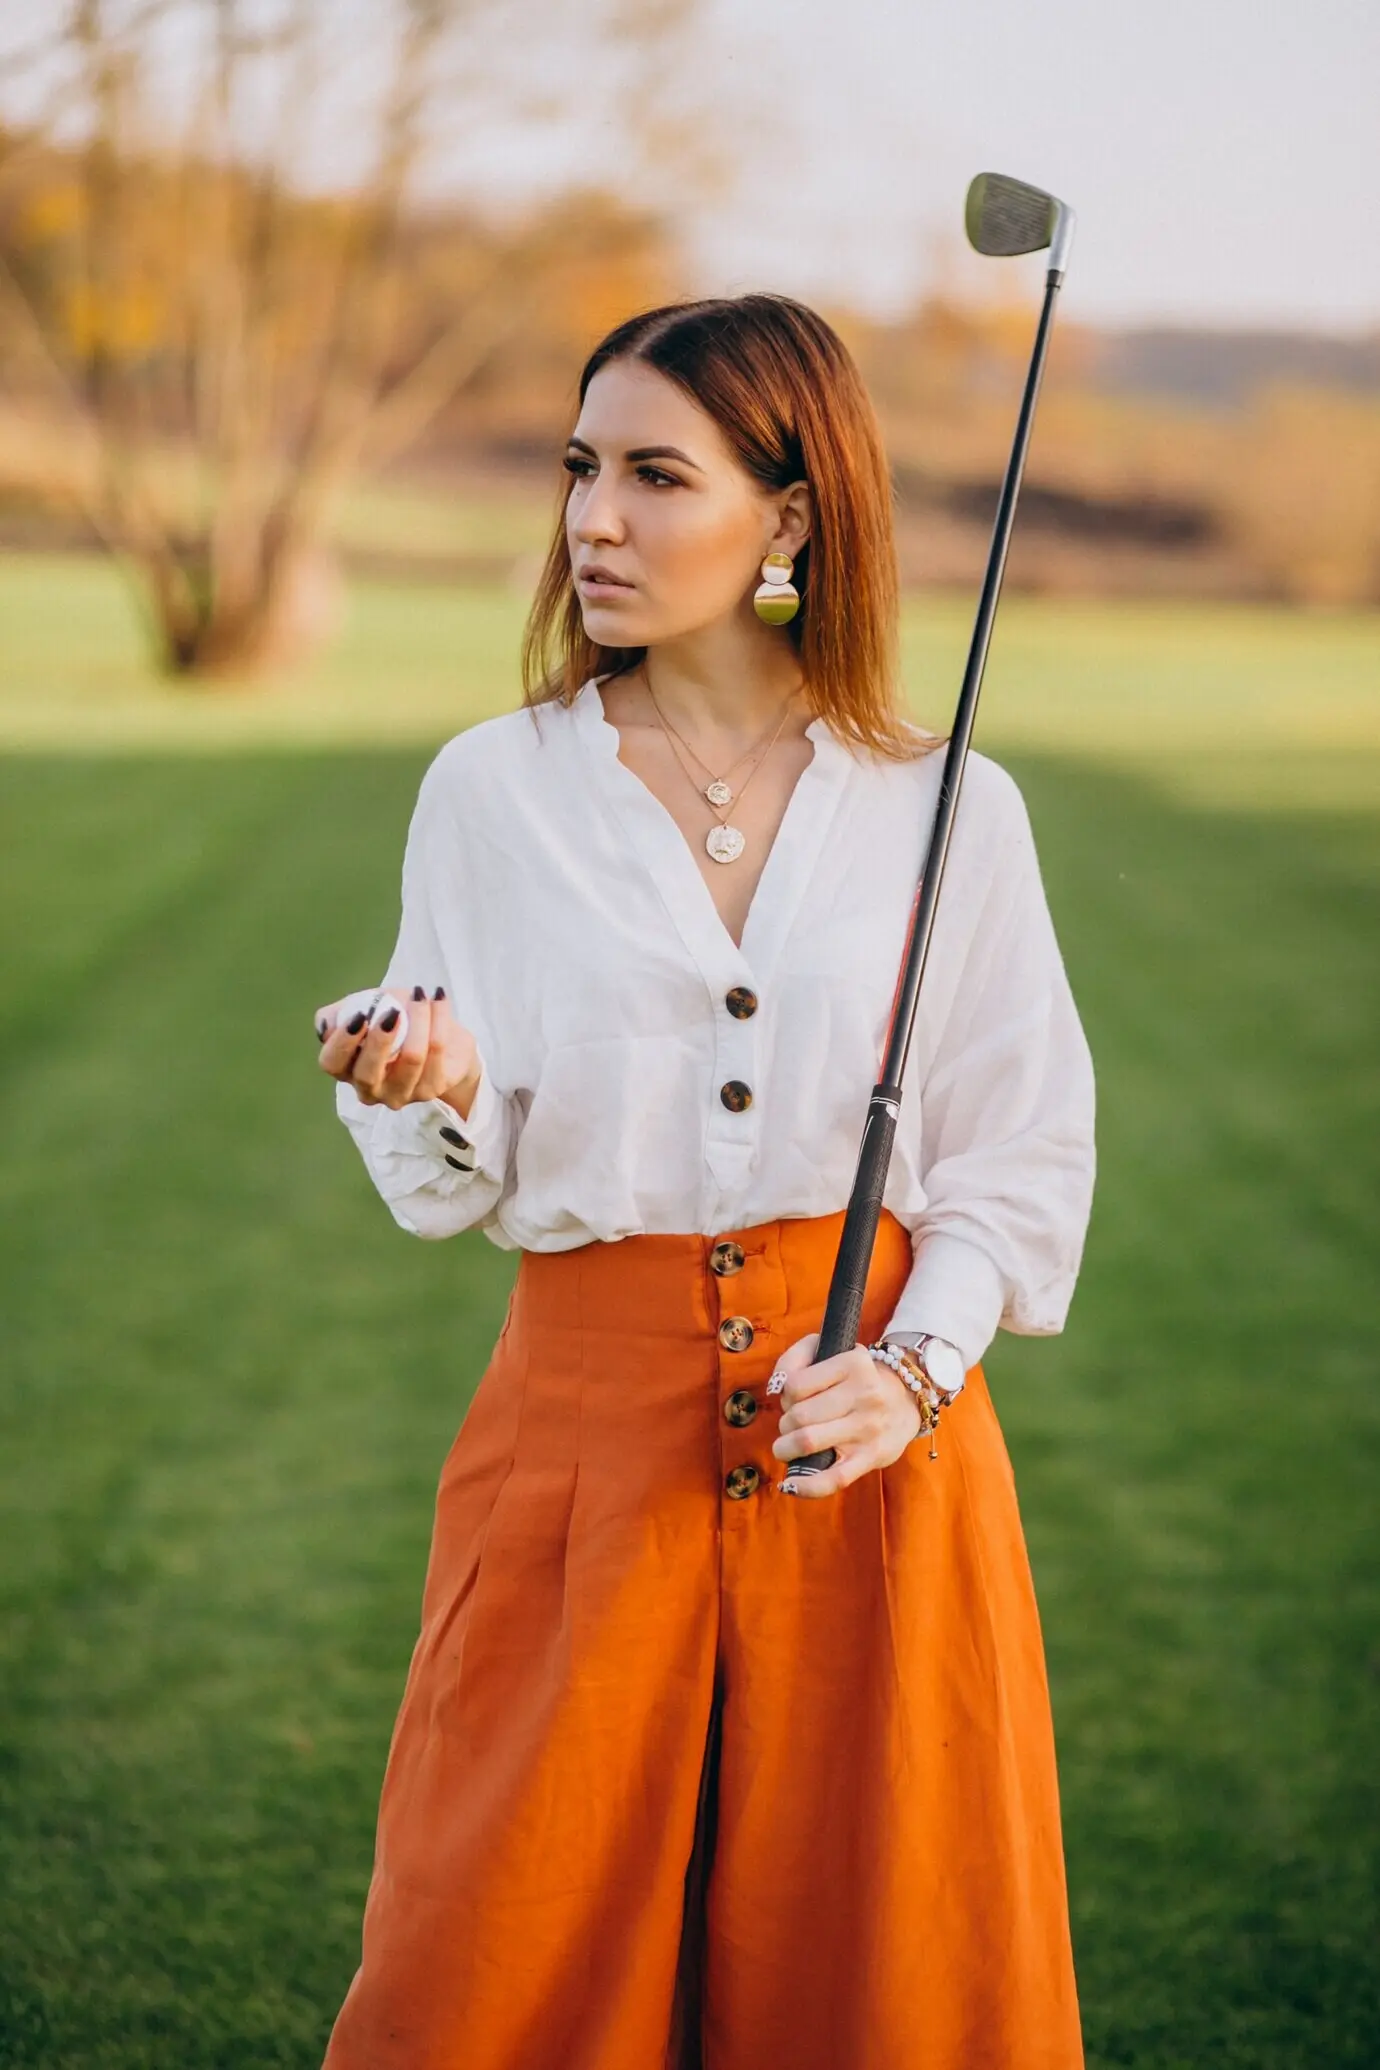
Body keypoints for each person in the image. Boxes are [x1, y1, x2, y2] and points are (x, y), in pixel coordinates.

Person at [313, 292, 1096, 2070]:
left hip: (879, 1467)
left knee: (882, 1975)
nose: (593, 518)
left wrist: (912, 1372)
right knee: (492, 1965)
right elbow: (461, 1175)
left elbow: (1016, 1148)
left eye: (657, 475)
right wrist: (434, 1083)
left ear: (792, 517)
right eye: (578, 468)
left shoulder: (950, 806)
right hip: (578, 1463)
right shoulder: (491, 793)